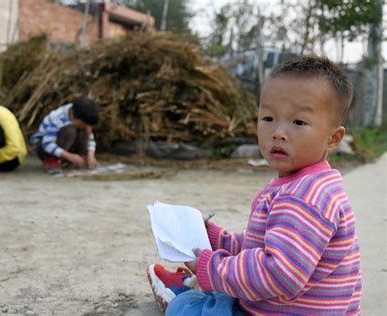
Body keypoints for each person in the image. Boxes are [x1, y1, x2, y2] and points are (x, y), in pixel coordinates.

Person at [147, 55, 362, 315]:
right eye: (268, 118)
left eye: (298, 122)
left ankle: (179, 295)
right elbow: (262, 246)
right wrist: (216, 239)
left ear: (333, 138)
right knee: (224, 286)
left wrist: (209, 267)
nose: (278, 132)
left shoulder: (305, 197)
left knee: (192, 307)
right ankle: (189, 288)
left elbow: (278, 274)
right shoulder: (306, 185)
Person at [29, 96, 99, 172]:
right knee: (69, 130)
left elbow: (90, 136)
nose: (85, 126)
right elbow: (46, 144)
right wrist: (68, 156)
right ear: (72, 115)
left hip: (67, 148)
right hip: (45, 147)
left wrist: (90, 154)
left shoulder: (82, 119)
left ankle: (79, 158)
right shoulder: (57, 118)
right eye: (82, 124)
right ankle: (52, 160)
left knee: (86, 129)